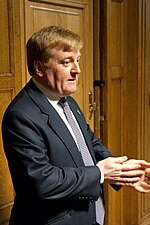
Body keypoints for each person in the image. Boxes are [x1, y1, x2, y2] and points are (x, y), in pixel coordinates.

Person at [2, 26, 150, 225]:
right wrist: (100, 173)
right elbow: (43, 181)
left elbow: (89, 144)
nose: (77, 70)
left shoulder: (66, 100)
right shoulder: (21, 115)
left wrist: (124, 171)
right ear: (39, 68)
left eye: (77, 60)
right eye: (66, 62)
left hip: (90, 216)